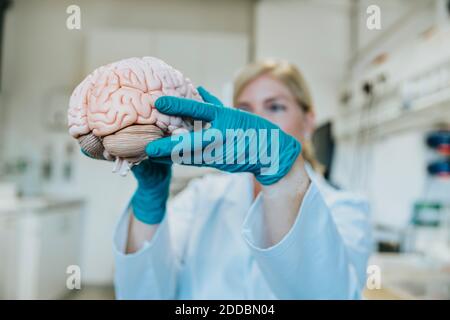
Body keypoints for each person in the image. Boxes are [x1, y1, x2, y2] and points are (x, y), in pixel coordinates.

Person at [111, 60, 372, 299]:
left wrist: (285, 174)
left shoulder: (345, 209)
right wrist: (150, 201)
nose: (257, 120)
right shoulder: (203, 196)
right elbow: (143, 296)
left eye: (275, 107)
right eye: (244, 109)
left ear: (308, 121)